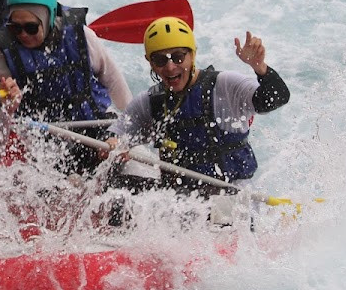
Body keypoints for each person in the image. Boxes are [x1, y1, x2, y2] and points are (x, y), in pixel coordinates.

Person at [0, 0, 132, 174]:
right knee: (72, 180)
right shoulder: (1, 51)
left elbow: (115, 82)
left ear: (48, 19)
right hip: (44, 137)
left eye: (31, 27)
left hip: (95, 122)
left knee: (117, 160)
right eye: (15, 27)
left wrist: (129, 130)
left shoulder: (83, 37)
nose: (23, 34)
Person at [110, 16, 290, 195]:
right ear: (150, 62)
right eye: (160, 60)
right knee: (116, 188)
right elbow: (117, 134)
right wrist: (114, 144)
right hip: (178, 198)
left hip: (232, 195)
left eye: (178, 57)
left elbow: (276, 98)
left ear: (192, 54)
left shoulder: (225, 86)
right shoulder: (149, 102)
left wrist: (260, 67)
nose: (170, 67)